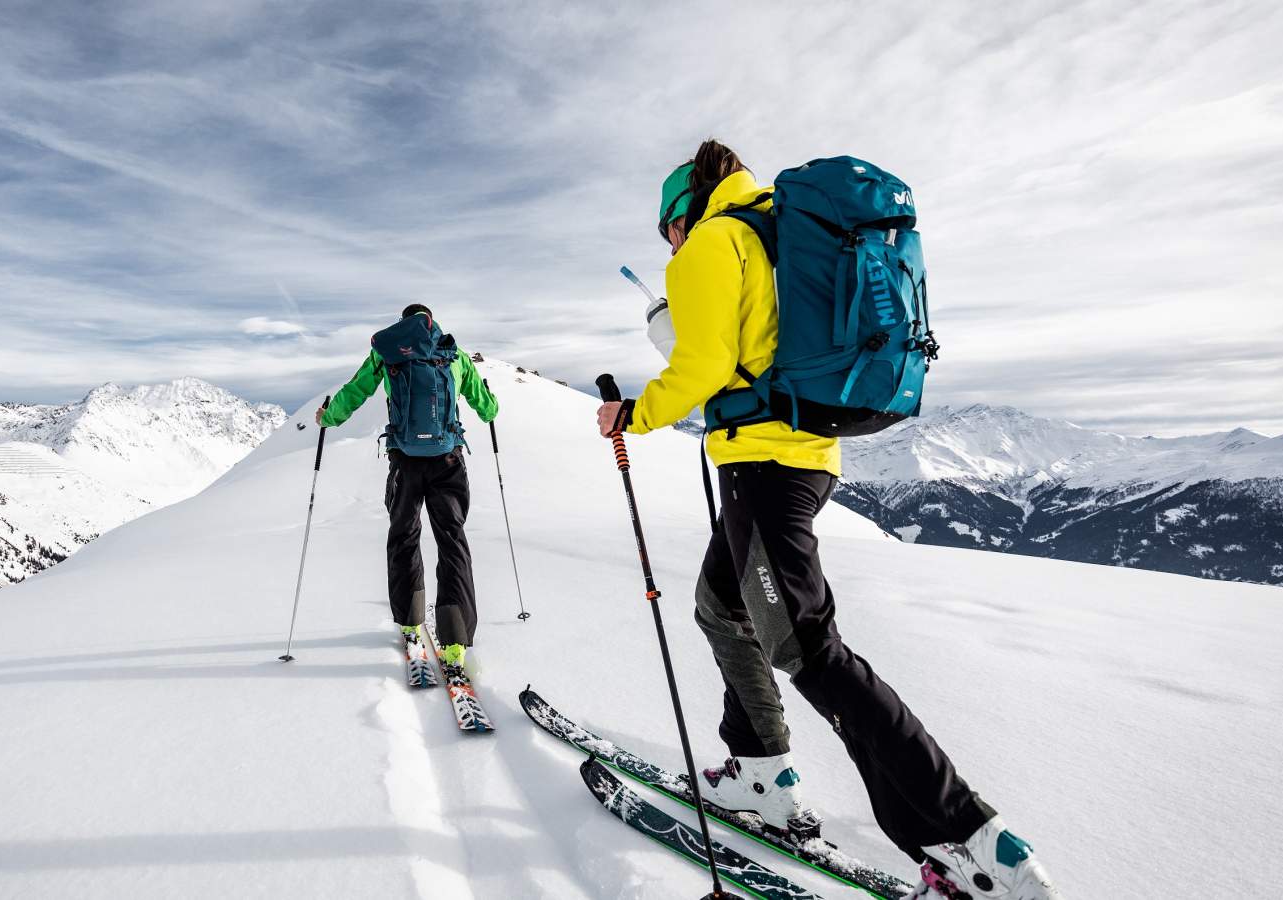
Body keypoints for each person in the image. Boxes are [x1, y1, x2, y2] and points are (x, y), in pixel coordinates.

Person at [596, 141, 1062, 900]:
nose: (668, 245)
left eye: (665, 230)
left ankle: (973, 845)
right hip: (806, 458)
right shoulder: (778, 231)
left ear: (682, 211)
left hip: (764, 466)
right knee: (722, 607)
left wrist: (633, 415)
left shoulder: (713, 242)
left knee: (810, 650)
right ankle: (760, 773)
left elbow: (705, 365)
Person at [317, 304, 498, 672]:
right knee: (452, 541)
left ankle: (411, 622)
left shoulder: (386, 353)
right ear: (432, 321)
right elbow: (487, 408)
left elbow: (356, 391)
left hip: (405, 462)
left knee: (403, 535)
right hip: (448, 460)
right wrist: (490, 403)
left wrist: (329, 415)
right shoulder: (453, 353)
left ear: (402, 324)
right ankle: (455, 641)